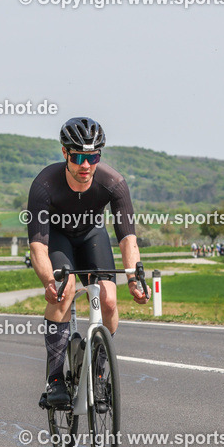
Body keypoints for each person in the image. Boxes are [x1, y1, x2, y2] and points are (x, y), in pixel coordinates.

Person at [26, 117, 147, 409]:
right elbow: (38, 247)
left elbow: (128, 239)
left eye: (92, 157)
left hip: (92, 235)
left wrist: (133, 278)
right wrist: (48, 282)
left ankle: (100, 370)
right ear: (65, 153)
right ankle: (55, 380)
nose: (86, 165)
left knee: (108, 298)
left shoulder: (113, 183)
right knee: (64, 290)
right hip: (57, 238)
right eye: (78, 156)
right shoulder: (44, 185)